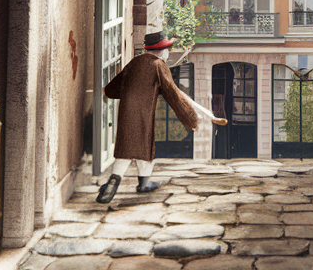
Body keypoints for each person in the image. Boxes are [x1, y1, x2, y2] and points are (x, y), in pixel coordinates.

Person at [96, 31, 226, 203]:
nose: (168, 52)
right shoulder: (159, 65)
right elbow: (174, 95)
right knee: (142, 146)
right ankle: (131, 183)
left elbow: (112, 89)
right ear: (161, 50)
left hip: (126, 110)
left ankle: (128, 182)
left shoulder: (135, 62)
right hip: (143, 112)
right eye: (167, 49)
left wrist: (141, 90)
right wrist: (191, 119)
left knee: (131, 146)